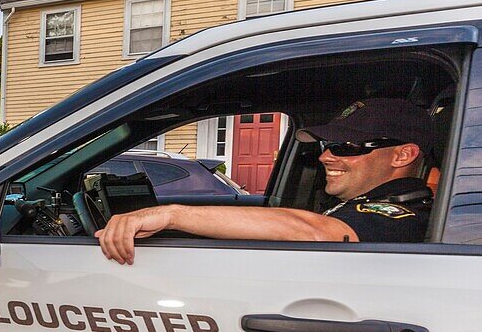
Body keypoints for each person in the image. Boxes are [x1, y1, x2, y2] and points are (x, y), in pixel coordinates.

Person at [96, 98, 436, 264]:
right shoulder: (359, 203)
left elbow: (315, 232)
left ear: (402, 155)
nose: (325, 157)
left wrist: (171, 215)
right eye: (325, 145)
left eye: (344, 147)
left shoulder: (403, 215)